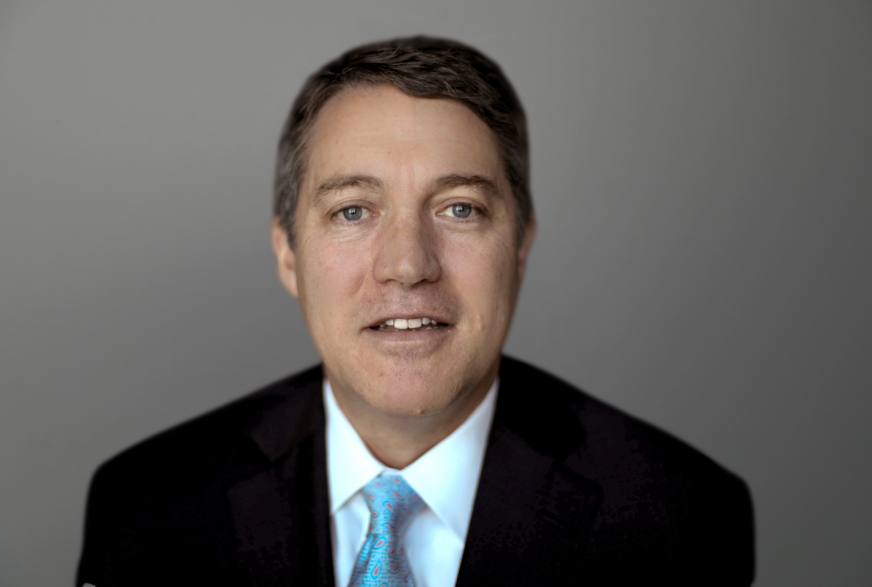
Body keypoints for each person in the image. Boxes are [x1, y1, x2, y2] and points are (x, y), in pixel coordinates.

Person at [76, 37, 754, 587]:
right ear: (288, 254)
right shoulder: (147, 510)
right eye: (352, 211)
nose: (407, 264)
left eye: (460, 208)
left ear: (519, 248)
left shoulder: (680, 521)